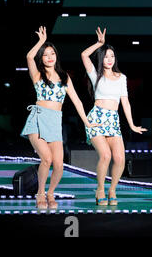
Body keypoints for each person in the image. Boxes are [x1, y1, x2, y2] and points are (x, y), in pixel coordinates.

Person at [21, 26, 98, 209]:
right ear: (42, 58)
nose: (49, 57)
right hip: (38, 119)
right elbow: (29, 57)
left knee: (59, 165)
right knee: (46, 158)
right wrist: (40, 41)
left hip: (55, 122)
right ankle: (40, 193)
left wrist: (87, 122)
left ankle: (50, 193)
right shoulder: (38, 75)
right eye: (46, 54)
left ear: (56, 56)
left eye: (52, 53)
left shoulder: (64, 77)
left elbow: (78, 102)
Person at [81, 27, 147, 206]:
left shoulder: (121, 77)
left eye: (112, 56)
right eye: (106, 56)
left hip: (113, 120)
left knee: (120, 158)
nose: (110, 59)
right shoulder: (96, 75)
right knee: (105, 156)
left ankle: (112, 189)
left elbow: (125, 102)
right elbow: (84, 56)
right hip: (96, 118)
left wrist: (132, 125)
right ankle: (100, 189)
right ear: (102, 59)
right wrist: (99, 44)